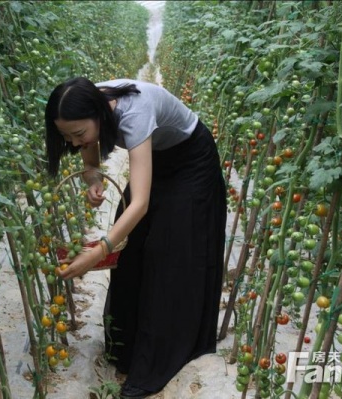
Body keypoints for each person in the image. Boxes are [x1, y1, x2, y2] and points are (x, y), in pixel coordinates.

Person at [45, 77, 227, 398]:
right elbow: (89, 152)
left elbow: (139, 203)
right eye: (66, 137)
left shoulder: (134, 112)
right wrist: (92, 179)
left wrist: (99, 250)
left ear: (100, 115)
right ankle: (126, 349)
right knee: (131, 251)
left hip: (191, 161)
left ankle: (158, 360)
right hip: (157, 156)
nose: (74, 143)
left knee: (167, 253)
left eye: (78, 134)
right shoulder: (85, 105)